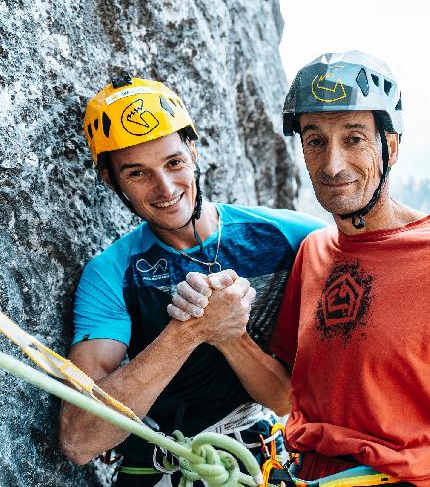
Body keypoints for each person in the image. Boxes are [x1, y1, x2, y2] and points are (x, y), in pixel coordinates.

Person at [170, 51, 430, 486]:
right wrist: (224, 332)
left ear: (392, 146)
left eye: (353, 139)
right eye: (315, 140)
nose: (332, 164)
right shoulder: (315, 251)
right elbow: (284, 393)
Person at [58, 73, 325, 486]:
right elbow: (81, 439)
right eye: (137, 173)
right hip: (164, 464)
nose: (165, 188)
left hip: (253, 456)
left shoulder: (289, 239)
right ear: (111, 181)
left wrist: (229, 333)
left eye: (174, 162)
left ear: (193, 151)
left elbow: (286, 399)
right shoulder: (111, 274)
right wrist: (188, 331)